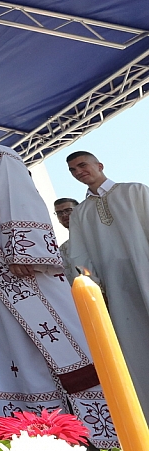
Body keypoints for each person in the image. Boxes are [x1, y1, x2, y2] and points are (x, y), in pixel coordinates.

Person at [0, 115, 116, 447]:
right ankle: (37, 428)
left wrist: (25, 251)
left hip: (17, 267)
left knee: (58, 334)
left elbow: (21, 199)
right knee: (8, 344)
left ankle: (98, 428)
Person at [65, 151, 149, 409]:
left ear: (99, 165)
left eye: (82, 165)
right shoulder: (81, 213)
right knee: (135, 347)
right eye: (73, 170)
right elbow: (79, 256)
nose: (79, 171)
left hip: (145, 271)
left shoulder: (134, 191)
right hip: (117, 290)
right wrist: (96, 290)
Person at [53, 198, 80, 284]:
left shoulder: (96, 237)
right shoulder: (62, 250)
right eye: (59, 213)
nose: (64, 215)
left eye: (68, 210)